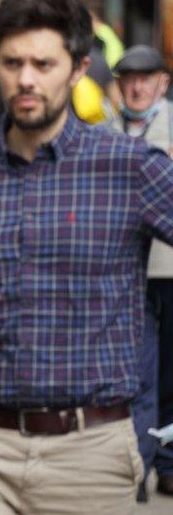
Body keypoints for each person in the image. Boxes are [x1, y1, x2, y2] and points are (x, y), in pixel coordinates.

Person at [0, 0, 173, 513]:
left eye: (43, 65)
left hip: (91, 450)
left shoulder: (129, 167)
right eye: (12, 62)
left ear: (76, 68)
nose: (25, 79)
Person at [108, 44, 173, 499]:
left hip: (170, 268)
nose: (137, 87)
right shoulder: (102, 132)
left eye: (146, 79)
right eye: (129, 79)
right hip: (128, 275)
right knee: (141, 374)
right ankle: (140, 468)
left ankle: (168, 463)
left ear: (162, 84)